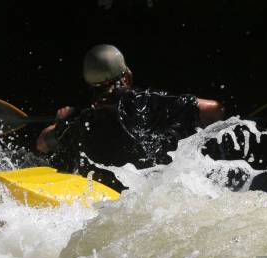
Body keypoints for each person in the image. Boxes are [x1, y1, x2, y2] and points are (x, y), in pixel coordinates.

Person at [36, 44, 225, 190]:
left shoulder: (82, 120)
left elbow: (42, 143)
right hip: (148, 193)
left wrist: (61, 122)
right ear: (126, 76)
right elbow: (213, 109)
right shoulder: (147, 102)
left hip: (105, 197)